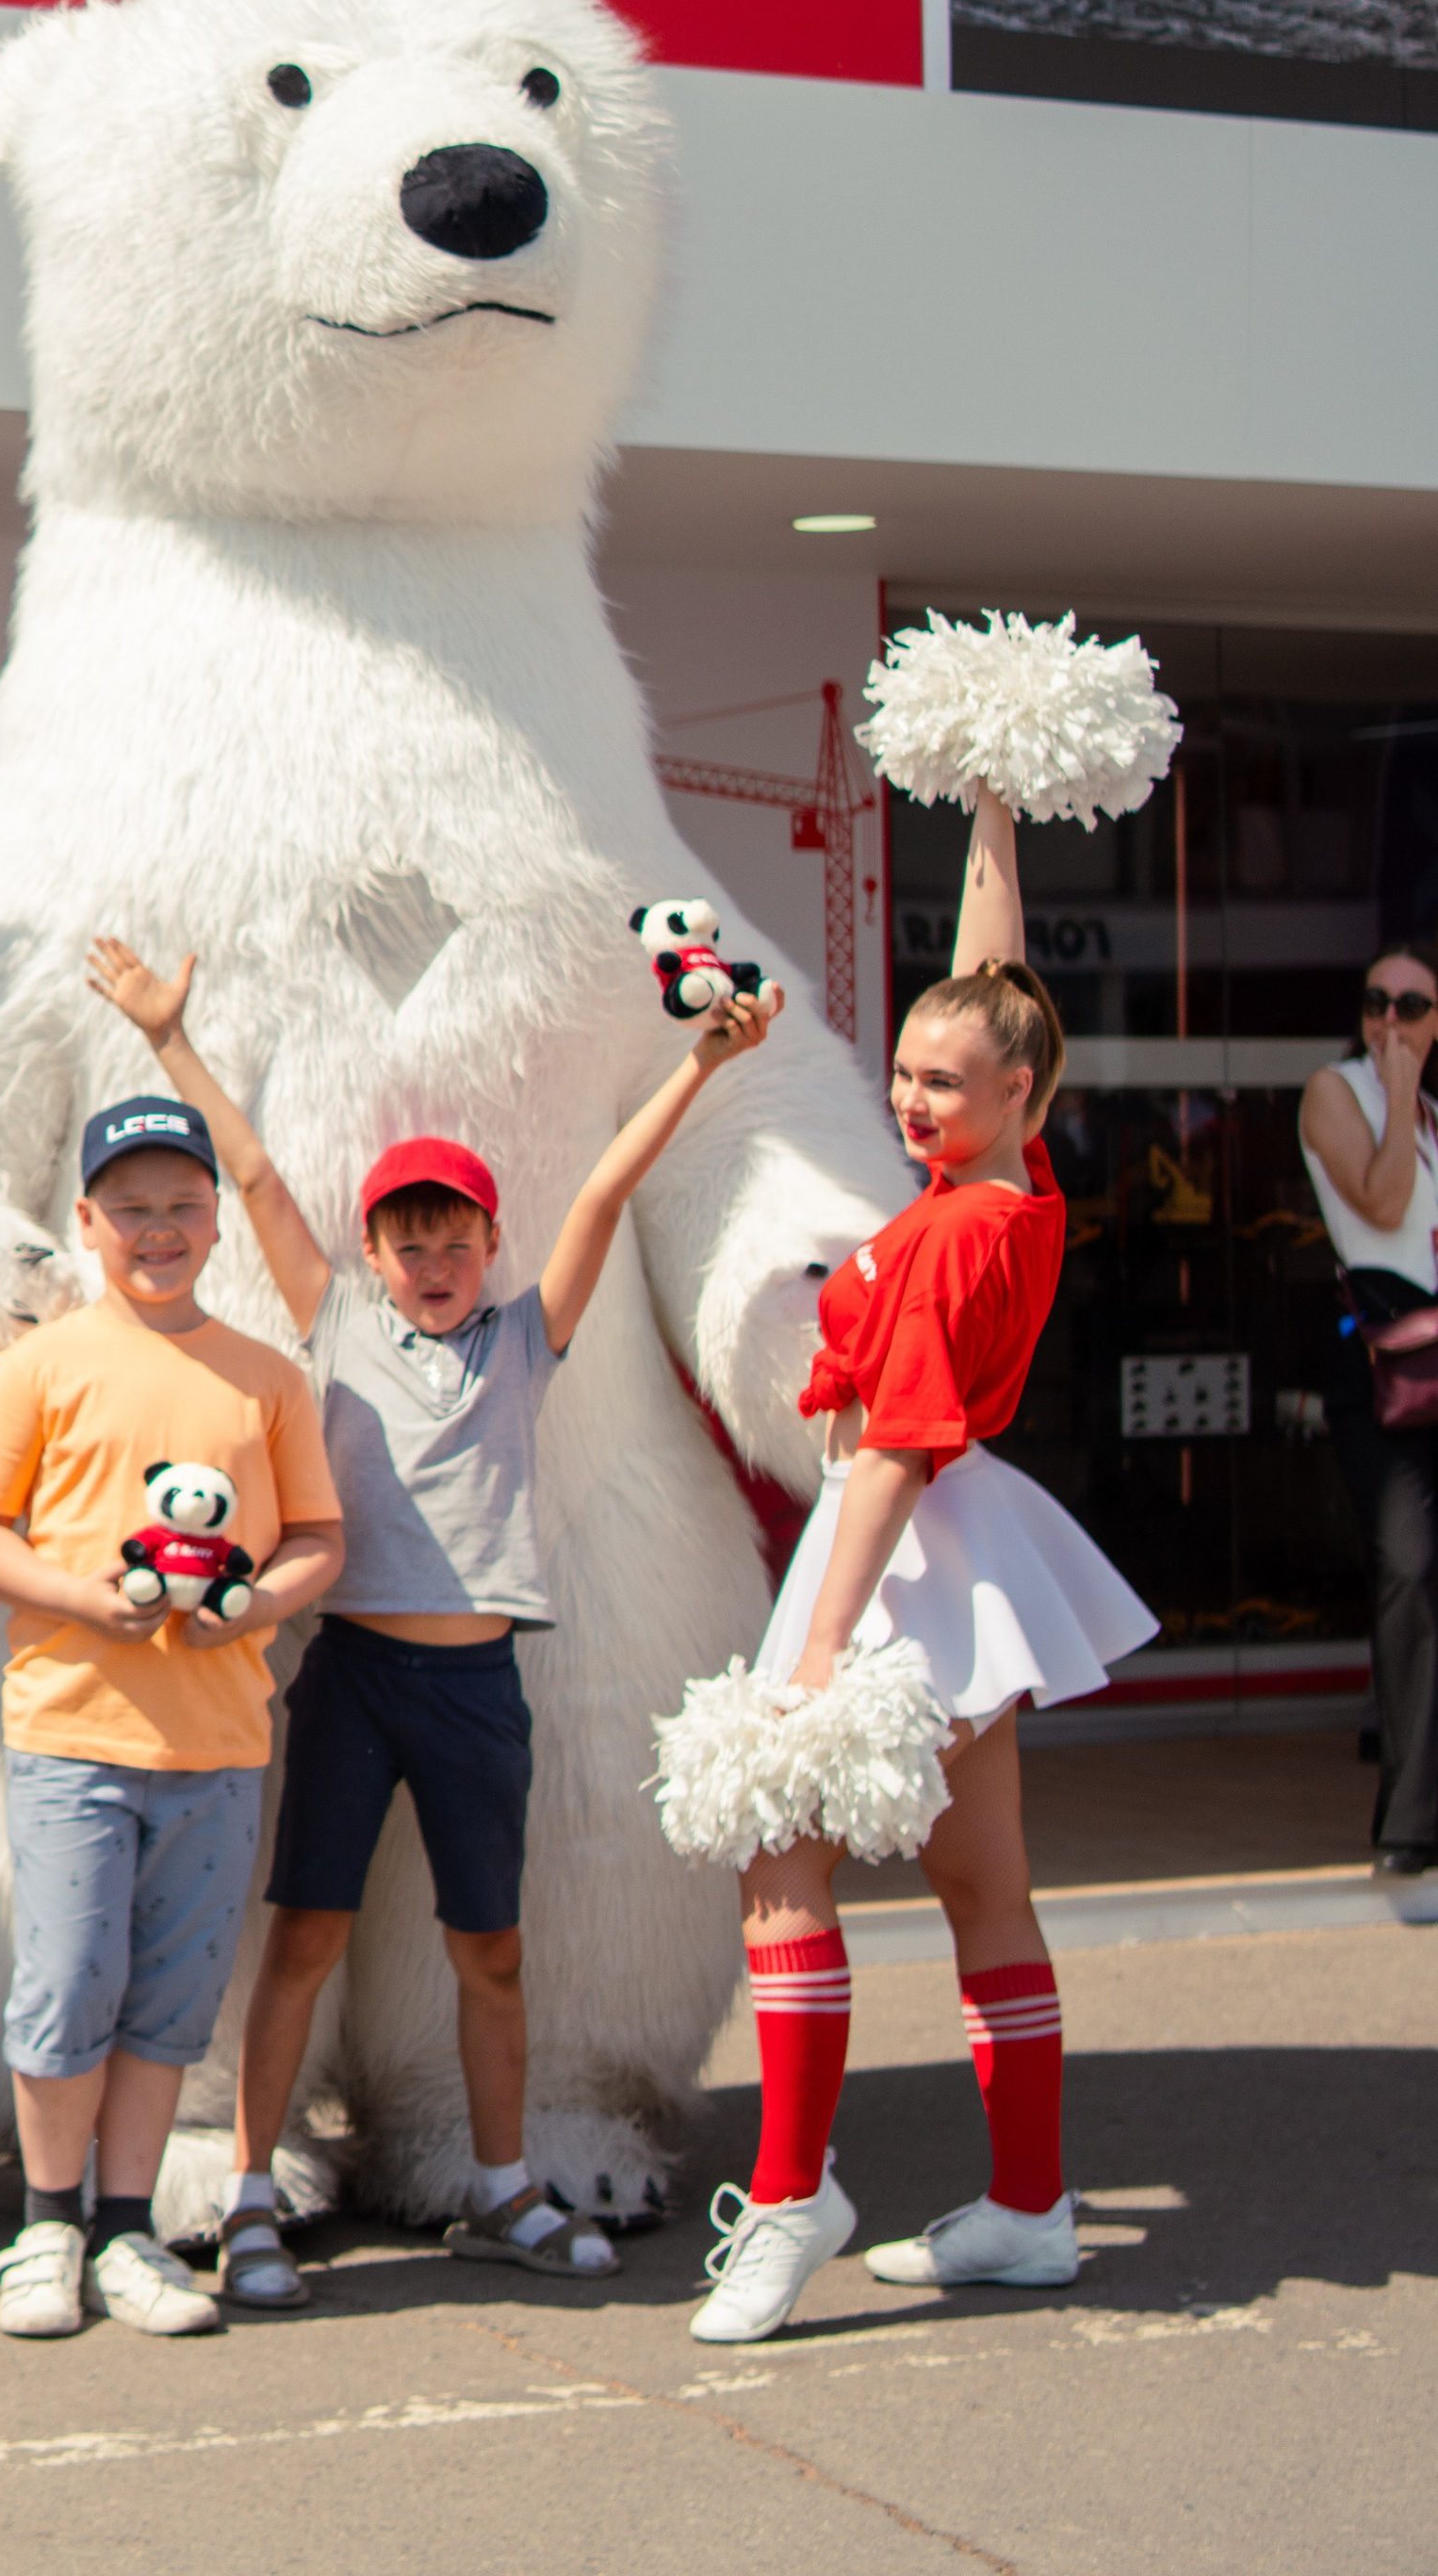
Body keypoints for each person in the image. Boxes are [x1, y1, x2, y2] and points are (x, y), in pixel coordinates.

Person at [86, 935, 782, 2313]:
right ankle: (247, 2191)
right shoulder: (336, 1320)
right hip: (352, 1680)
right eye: (408, 1234)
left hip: (477, 1693)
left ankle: (505, 2185)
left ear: (487, 1245)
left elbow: (607, 1186)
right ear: (377, 1251)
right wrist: (170, 1042)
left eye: (454, 1232)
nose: (433, 1253)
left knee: (494, 1950)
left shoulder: (526, 1337)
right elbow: (261, 1177)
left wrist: (700, 1059)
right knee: (303, 1939)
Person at [687, 784, 1156, 2347]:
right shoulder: (1003, 1186)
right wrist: (997, 822)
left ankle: (793, 2192)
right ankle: (1029, 2208)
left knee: (780, 1867)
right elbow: (992, 989)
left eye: (943, 1086)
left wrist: (811, 1656)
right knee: (982, 1885)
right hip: (953, 1547)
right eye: (901, 1073)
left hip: (897, 1541)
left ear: (1018, 1090)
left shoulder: (956, 1231)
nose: (910, 1101)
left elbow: (891, 1448)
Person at [0, 1095, 345, 2339]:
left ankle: (128, 2231)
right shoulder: (43, 1363)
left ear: (217, 1222)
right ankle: (46, 2224)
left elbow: (322, 1539)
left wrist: (255, 1606)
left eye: (180, 1207)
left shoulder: (269, 1380)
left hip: (219, 1738)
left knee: (170, 1997)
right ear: (87, 1223)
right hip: (72, 1727)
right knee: (65, 1983)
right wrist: (80, 1599)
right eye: (131, 1210)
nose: (156, 1231)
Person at [1299, 947, 1438, 1878]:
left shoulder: (1430, 1115)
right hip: (1383, 1371)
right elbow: (1383, 1205)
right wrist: (1393, 1086)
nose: (1390, 1018)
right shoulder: (1336, 1090)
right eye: (1375, 1001)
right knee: (1410, 1567)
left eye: (1411, 1004)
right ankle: (1410, 1821)